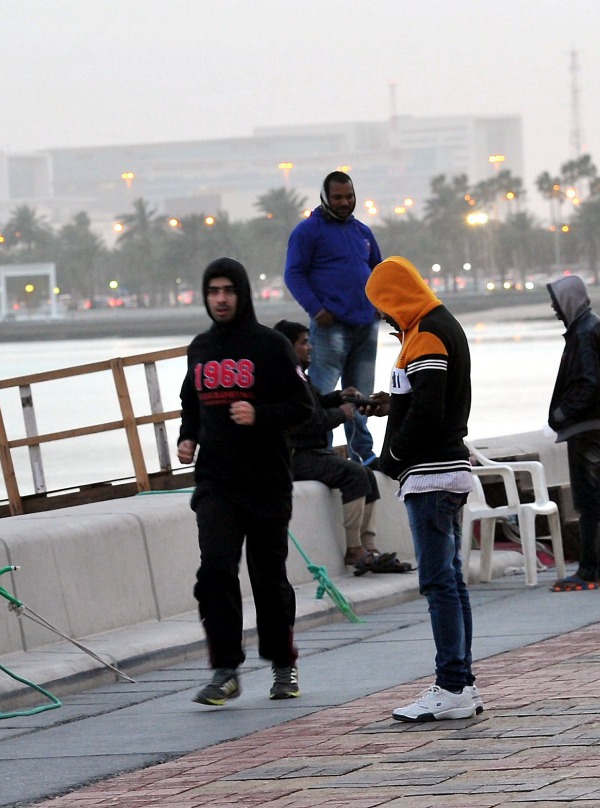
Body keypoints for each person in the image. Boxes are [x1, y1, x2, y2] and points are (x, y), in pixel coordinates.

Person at [177, 258, 314, 705]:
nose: (220, 299)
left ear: (242, 294)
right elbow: (191, 404)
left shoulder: (271, 346)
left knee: (267, 576)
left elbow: (303, 407)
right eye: (213, 290)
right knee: (215, 571)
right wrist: (188, 437)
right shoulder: (199, 349)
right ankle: (225, 669)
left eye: (228, 290)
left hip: (267, 481)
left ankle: (283, 664)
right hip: (216, 482)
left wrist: (261, 415)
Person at [358, 255, 480, 722]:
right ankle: (462, 684)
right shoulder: (433, 326)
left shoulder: (426, 332)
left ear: (395, 298)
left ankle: (451, 686)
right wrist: (392, 405)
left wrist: (391, 458)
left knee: (437, 582)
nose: (384, 317)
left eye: (383, 306)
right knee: (450, 579)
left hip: (431, 475)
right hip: (446, 469)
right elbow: (428, 396)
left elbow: (430, 408)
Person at [272, 319, 411, 575]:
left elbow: (317, 403)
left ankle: (369, 548)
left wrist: (339, 396)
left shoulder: (297, 375)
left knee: (367, 475)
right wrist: (341, 414)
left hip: (311, 453)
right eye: (304, 343)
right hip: (294, 457)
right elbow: (305, 423)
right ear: (288, 347)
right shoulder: (281, 382)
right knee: (354, 474)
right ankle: (354, 548)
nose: (311, 347)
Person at [284, 170, 382, 465]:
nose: (344, 202)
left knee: (360, 397)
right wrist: (316, 309)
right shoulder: (308, 231)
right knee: (322, 395)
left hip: (366, 325)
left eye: (349, 196)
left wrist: (381, 305)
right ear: (325, 197)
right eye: (337, 197)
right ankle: (320, 452)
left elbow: (379, 270)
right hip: (330, 328)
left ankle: (362, 455)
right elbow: (293, 273)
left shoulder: (362, 232)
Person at [545, 274, 600, 592]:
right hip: (595, 427)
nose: (554, 308)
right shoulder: (588, 327)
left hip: (585, 430)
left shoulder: (584, 332)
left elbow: (588, 383)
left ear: (569, 300)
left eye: (556, 302)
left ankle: (589, 570)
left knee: (589, 501)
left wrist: (562, 413)